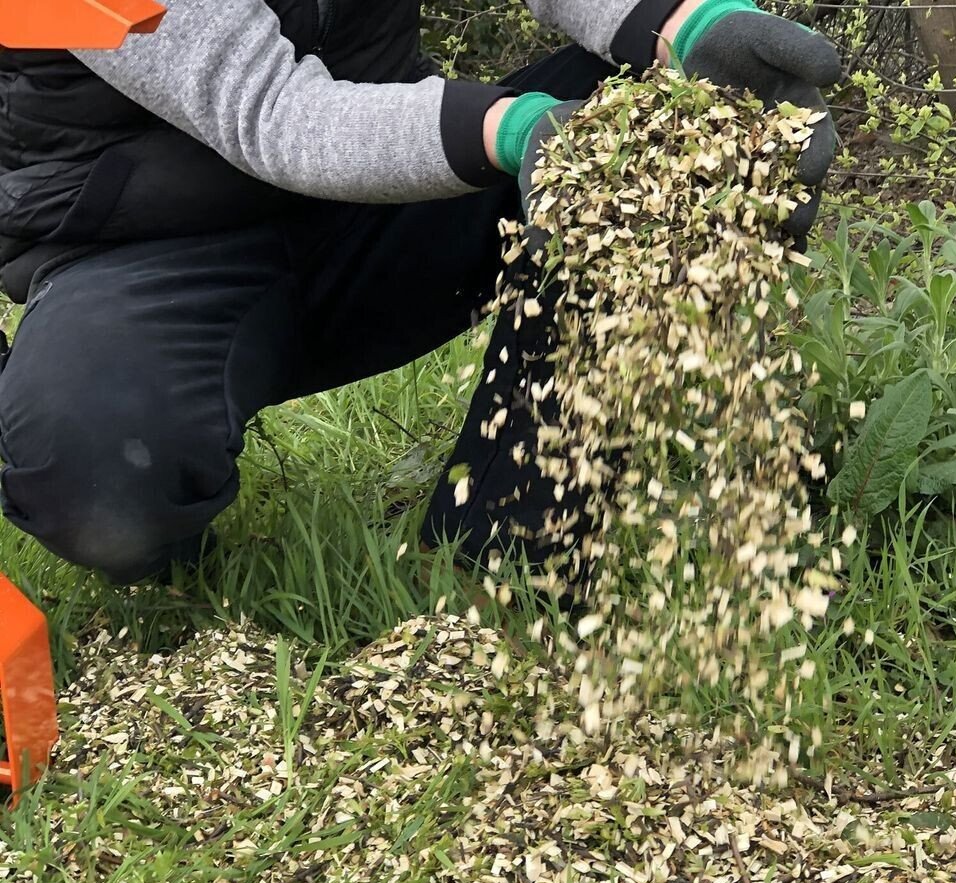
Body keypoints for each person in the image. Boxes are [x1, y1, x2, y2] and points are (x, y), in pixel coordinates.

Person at [0, 0, 841, 584]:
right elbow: (271, 116)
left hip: (376, 204)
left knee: (660, 122)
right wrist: (515, 128)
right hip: (150, 248)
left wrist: (681, 25)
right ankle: (170, 545)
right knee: (93, 471)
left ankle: (511, 559)